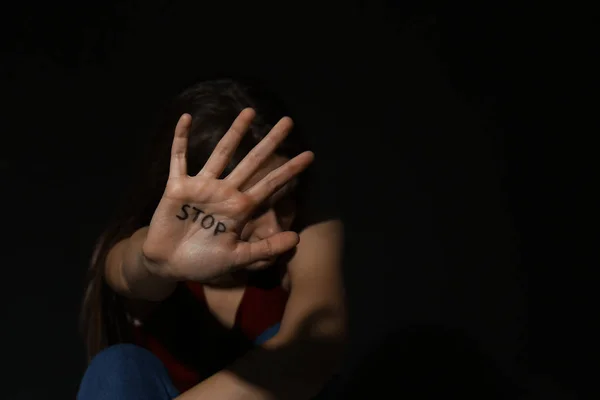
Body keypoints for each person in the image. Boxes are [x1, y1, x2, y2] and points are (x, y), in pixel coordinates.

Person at [77, 79, 346, 400]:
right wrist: (155, 263)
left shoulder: (307, 236)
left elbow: (310, 356)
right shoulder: (145, 246)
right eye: (250, 209)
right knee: (116, 368)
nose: (274, 231)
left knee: (289, 340)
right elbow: (129, 270)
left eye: (285, 202)